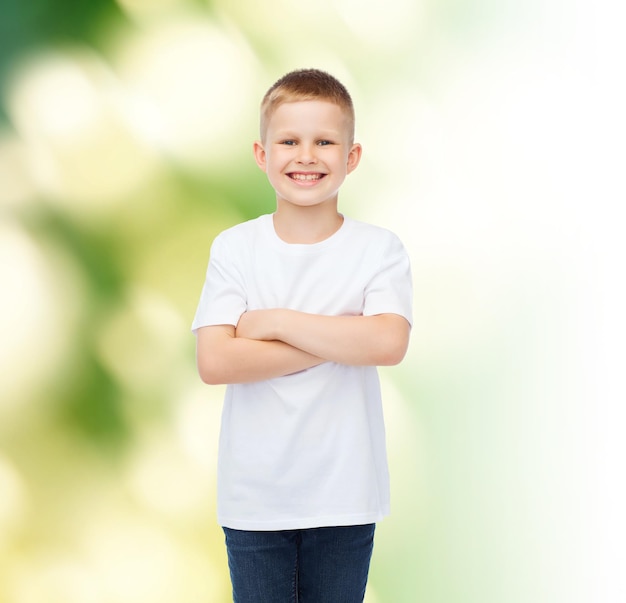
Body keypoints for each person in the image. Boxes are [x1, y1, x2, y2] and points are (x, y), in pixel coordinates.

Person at [192, 68, 413, 603]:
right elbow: (215, 361)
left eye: (325, 141)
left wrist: (275, 323)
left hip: (346, 495)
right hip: (254, 498)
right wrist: (339, 338)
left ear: (352, 156)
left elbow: (387, 344)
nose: (306, 155)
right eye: (289, 141)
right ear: (261, 153)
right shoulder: (236, 248)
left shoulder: (378, 249)